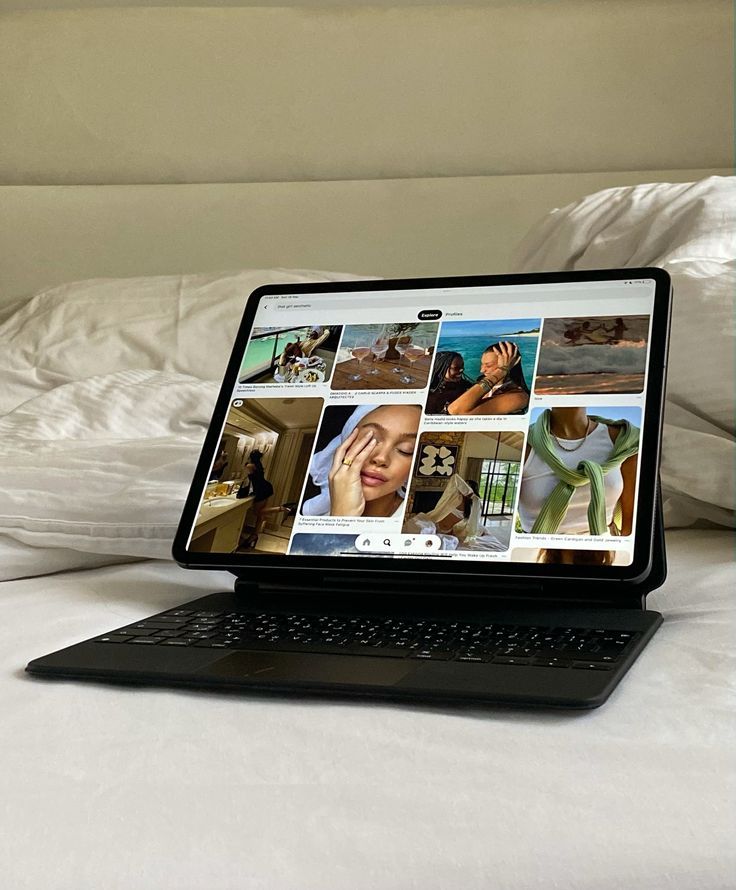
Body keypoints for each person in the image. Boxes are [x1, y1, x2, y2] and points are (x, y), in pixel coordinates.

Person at [518, 407, 639, 536]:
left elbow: (631, 525)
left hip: (603, 550)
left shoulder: (625, 441)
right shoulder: (525, 443)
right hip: (537, 551)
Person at [302, 404, 421, 517]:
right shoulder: (309, 518)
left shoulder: (416, 529)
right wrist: (341, 516)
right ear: (345, 442)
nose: (381, 458)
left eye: (405, 450)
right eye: (369, 440)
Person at [404, 475, 505, 551]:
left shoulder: (463, 501)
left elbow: (455, 478)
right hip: (449, 528)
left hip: (446, 529)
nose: (460, 489)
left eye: (464, 487)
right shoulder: (474, 503)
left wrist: (468, 493)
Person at [444, 341, 530, 416]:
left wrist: (502, 370)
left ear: (510, 364)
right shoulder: (481, 384)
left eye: (488, 365)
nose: (481, 370)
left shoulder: (519, 397)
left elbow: (455, 411)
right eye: (482, 364)